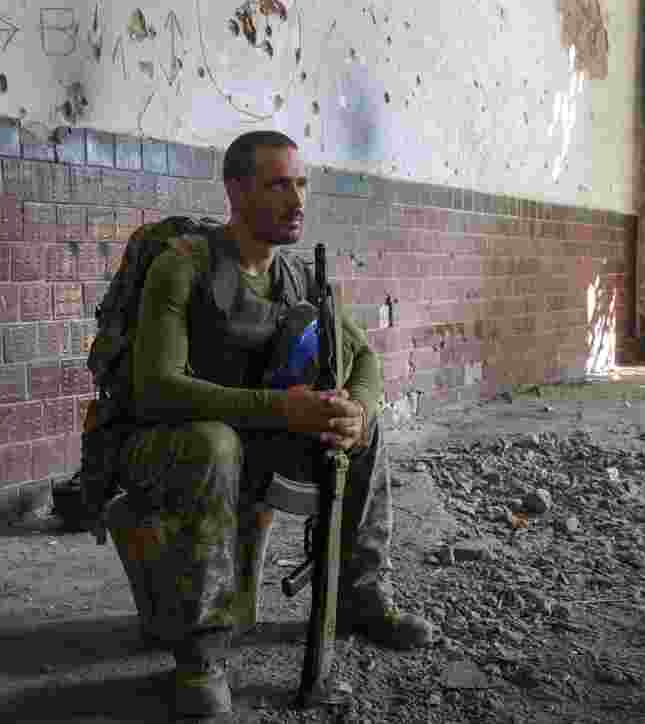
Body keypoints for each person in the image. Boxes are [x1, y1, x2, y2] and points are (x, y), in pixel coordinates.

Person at [119, 130, 432, 718]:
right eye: (278, 185)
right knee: (214, 443)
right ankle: (202, 655)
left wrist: (356, 409)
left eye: (301, 184)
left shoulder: (299, 278)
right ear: (236, 190)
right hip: (167, 443)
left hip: (252, 442)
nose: (297, 201)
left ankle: (359, 595)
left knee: (358, 430)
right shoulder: (183, 267)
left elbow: (364, 358)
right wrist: (280, 408)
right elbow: (155, 389)